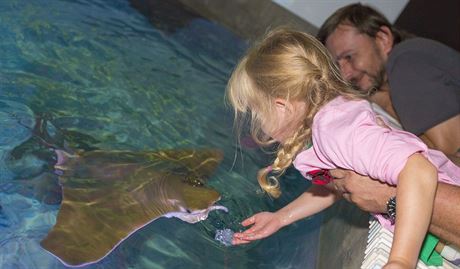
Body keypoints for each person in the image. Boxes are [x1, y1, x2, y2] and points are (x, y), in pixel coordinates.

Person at [226, 29, 460, 269]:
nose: (257, 123)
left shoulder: (337, 130)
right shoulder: (313, 138)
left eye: (256, 112)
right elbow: (333, 187)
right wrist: (280, 217)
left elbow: (418, 170)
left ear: (282, 105)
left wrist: (401, 261)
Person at [316, 2, 460, 251]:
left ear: (383, 39)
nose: (346, 73)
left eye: (349, 57)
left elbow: (446, 156)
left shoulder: (406, 60)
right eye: (337, 66)